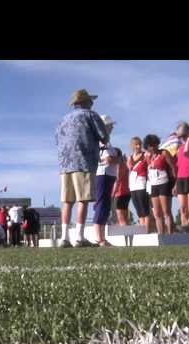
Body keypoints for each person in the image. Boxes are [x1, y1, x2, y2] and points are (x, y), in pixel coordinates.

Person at [55, 88, 109, 247]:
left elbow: (57, 140)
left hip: (65, 164)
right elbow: (104, 137)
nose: (92, 103)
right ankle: (79, 237)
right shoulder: (90, 115)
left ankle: (64, 238)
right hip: (83, 161)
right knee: (83, 199)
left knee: (67, 201)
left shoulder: (63, 120)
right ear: (86, 102)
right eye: (90, 101)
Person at [93, 114, 121, 247]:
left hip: (108, 175)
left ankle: (102, 237)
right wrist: (119, 160)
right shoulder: (101, 141)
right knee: (102, 205)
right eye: (110, 126)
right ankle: (99, 238)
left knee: (105, 206)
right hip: (103, 174)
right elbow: (109, 160)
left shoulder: (106, 142)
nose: (112, 128)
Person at [145, 134, 177, 235]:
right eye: (150, 145)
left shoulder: (164, 153)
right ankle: (161, 235)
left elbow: (173, 168)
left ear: (157, 144)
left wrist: (175, 184)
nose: (152, 147)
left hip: (164, 183)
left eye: (154, 144)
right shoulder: (148, 157)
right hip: (154, 185)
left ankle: (170, 235)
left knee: (166, 211)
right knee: (157, 213)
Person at [127, 136, 150, 227]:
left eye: (140, 144)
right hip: (133, 183)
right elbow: (130, 168)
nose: (138, 146)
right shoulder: (130, 157)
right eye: (136, 144)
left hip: (142, 182)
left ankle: (147, 230)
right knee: (138, 208)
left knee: (144, 207)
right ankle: (142, 229)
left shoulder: (145, 155)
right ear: (132, 146)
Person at [112, 146, 130, 226]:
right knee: (125, 217)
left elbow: (117, 180)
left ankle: (124, 236)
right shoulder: (125, 164)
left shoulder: (118, 165)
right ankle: (127, 236)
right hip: (126, 192)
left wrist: (112, 194)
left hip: (119, 193)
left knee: (121, 218)